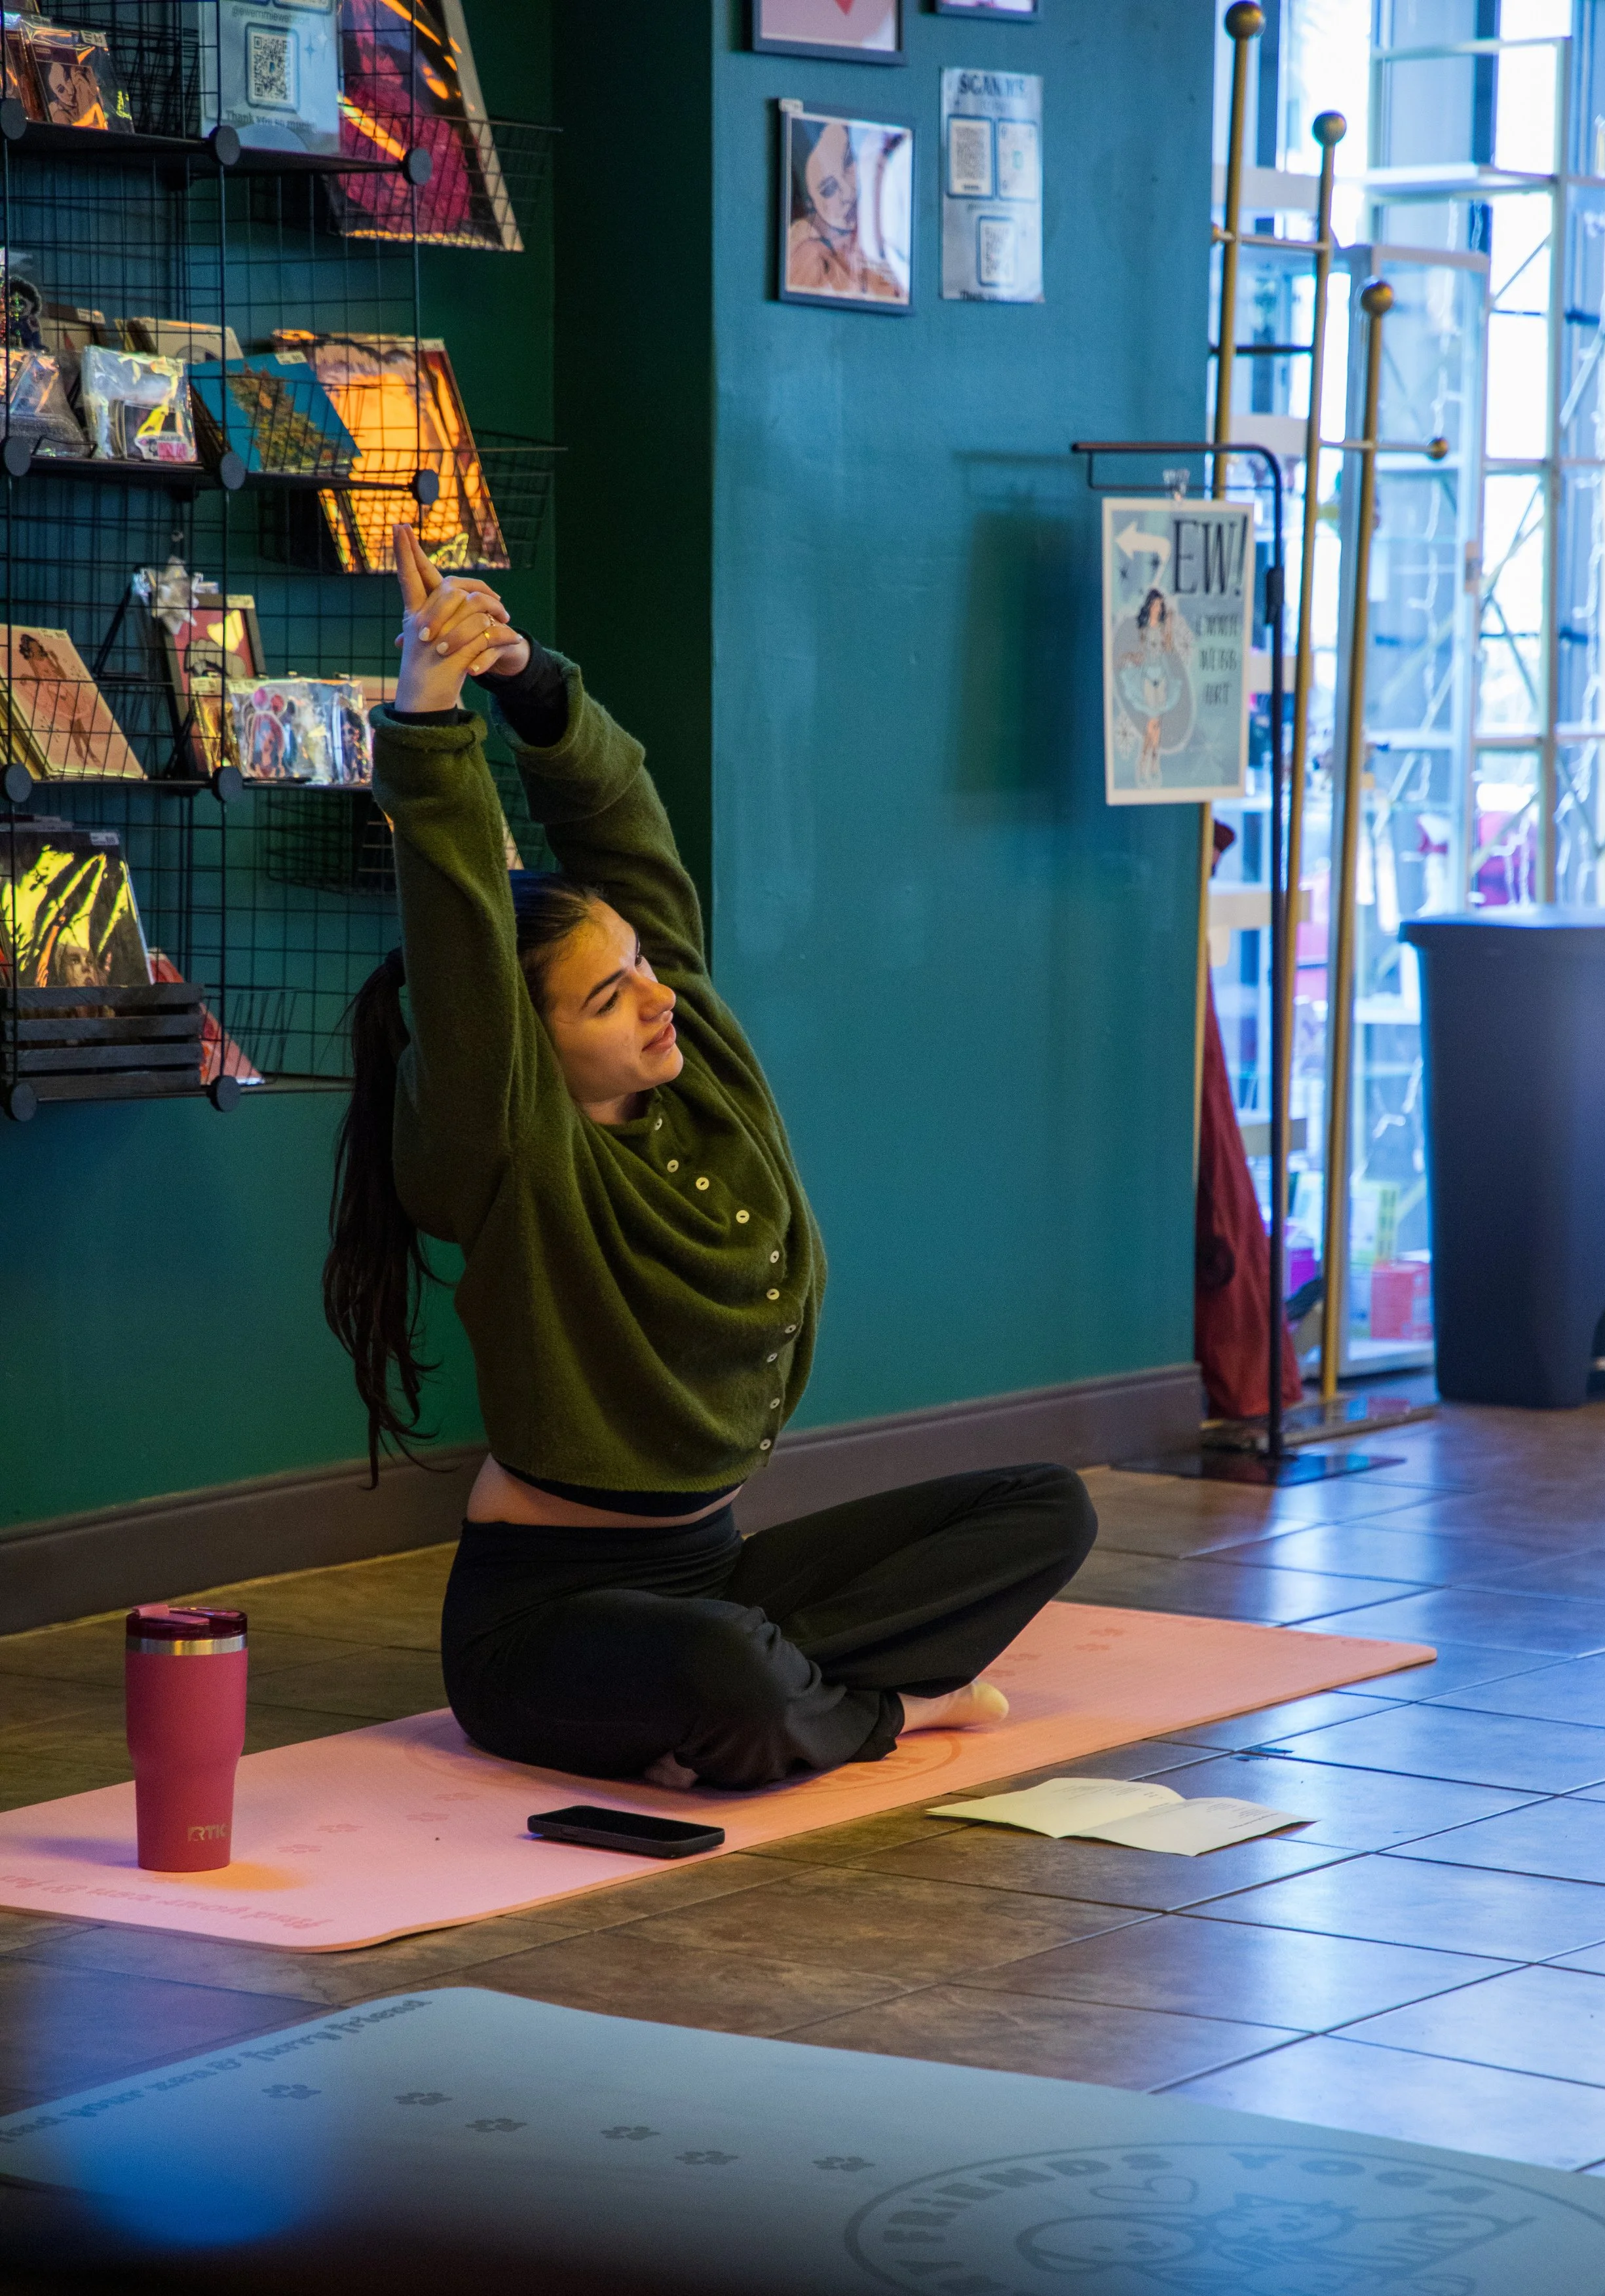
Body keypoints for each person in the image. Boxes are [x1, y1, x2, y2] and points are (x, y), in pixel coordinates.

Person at [322, 523, 1097, 1793]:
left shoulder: (700, 1068)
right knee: (727, 1678)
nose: (651, 998)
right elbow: (458, 923)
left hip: (717, 1568)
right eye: (605, 997)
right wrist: (428, 707)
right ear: (527, 1049)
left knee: (1042, 1510)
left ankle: (803, 1691)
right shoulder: (509, 1146)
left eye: (641, 965)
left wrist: (532, 684)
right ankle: (881, 1704)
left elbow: (625, 828)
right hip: (545, 1618)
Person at [785, 117, 908, 305]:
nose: (848, 192)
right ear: (813, 205)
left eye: (849, 163)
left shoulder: (890, 226)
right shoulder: (806, 251)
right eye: (829, 189)